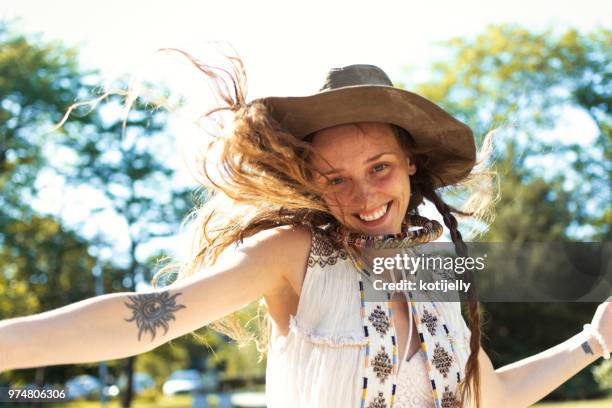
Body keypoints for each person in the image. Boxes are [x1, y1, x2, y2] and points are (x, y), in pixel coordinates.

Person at [0, 55, 610, 408]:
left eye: (379, 168)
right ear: (314, 186)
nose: (364, 197)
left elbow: (490, 399)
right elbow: (146, 314)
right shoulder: (296, 256)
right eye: (335, 179)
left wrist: (594, 341)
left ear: (410, 165)